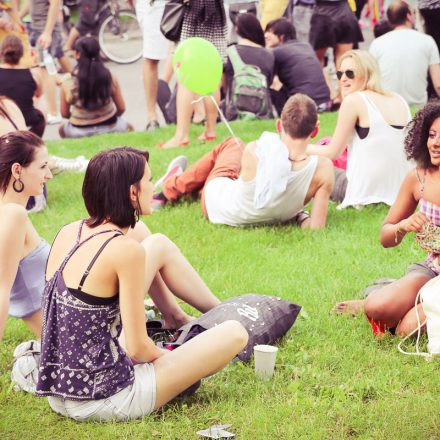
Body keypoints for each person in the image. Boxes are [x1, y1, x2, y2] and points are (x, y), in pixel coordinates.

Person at [35, 146, 248, 421]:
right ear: (132, 193)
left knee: (155, 242)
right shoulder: (125, 251)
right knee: (234, 333)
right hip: (105, 399)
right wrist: (174, 360)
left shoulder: (69, 231)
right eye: (148, 180)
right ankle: (211, 320)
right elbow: (137, 348)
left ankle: (181, 317)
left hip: (60, 390)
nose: (152, 185)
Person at [335, 101, 440, 337]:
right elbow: (385, 237)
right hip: (432, 269)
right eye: (432, 135)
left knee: (406, 330)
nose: (435, 143)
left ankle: (404, 301)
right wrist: (402, 227)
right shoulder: (418, 180)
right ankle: (393, 298)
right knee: (376, 307)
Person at [152, 94, 334, 229]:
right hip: (233, 207)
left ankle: (166, 191)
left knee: (233, 144)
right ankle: (182, 182)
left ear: (279, 125)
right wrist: (299, 216)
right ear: (315, 131)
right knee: (233, 172)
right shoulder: (323, 169)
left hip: (216, 205)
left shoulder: (256, 150)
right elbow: (316, 229)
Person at [306, 49, 413, 209]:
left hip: (364, 194)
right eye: (339, 74)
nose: (343, 79)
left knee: (314, 163)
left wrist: (298, 148)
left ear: (367, 74)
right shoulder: (399, 100)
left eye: (350, 73)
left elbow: (332, 152)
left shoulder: (353, 101)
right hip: (404, 193)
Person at [0, 130, 52, 342]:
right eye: (42, 167)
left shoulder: (11, 210)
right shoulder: (13, 214)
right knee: (153, 243)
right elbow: (1, 290)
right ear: (17, 170)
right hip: (65, 337)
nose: (49, 175)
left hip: (69, 316)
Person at [159, 0, 227, 148]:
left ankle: (181, 135)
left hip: (193, 12)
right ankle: (210, 131)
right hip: (215, 10)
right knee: (212, 73)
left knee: (186, 75)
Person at [369, 0, 440, 107]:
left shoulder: (376, 44)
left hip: (387, 108)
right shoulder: (427, 41)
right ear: (409, 16)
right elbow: (438, 84)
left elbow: (370, 81)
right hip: (418, 111)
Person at [59, 36, 133, 138]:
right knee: (129, 126)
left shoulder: (68, 81)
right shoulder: (109, 76)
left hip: (78, 131)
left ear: (78, 54)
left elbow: (64, 113)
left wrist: (83, 118)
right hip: (111, 126)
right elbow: (121, 108)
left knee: (61, 129)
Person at [264, 18, 331, 116]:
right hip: (324, 103)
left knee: (264, 91)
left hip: (303, 106)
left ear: (282, 37)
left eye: (270, 32)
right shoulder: (306, 46)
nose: (266, 35)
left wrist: (266, 50)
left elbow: (266, 80)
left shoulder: (277, 52)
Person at [223, 13, 274, 120]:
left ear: (237, 29)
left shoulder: (229, 52)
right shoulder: (269, 55)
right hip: (262, 113)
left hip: (233, 113)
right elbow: (270, 82)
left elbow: (223, 85)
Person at [0, 35, 45, 136]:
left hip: (4, 123)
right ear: (22, 53)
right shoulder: (33, 74)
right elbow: (39, 94)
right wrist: (35, 63)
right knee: (40, 109)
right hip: (29, 123)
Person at [135, 0, 169, 131]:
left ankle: (196, 112)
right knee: (152, 57)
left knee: (183, 52)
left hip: (178, 4)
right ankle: (152, 117)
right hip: (153, 6)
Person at [308, 0, 363, 68]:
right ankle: (339, 77)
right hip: (344, 12)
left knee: (318, 60)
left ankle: (325, 78)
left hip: (323, 13)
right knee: (342, 59)